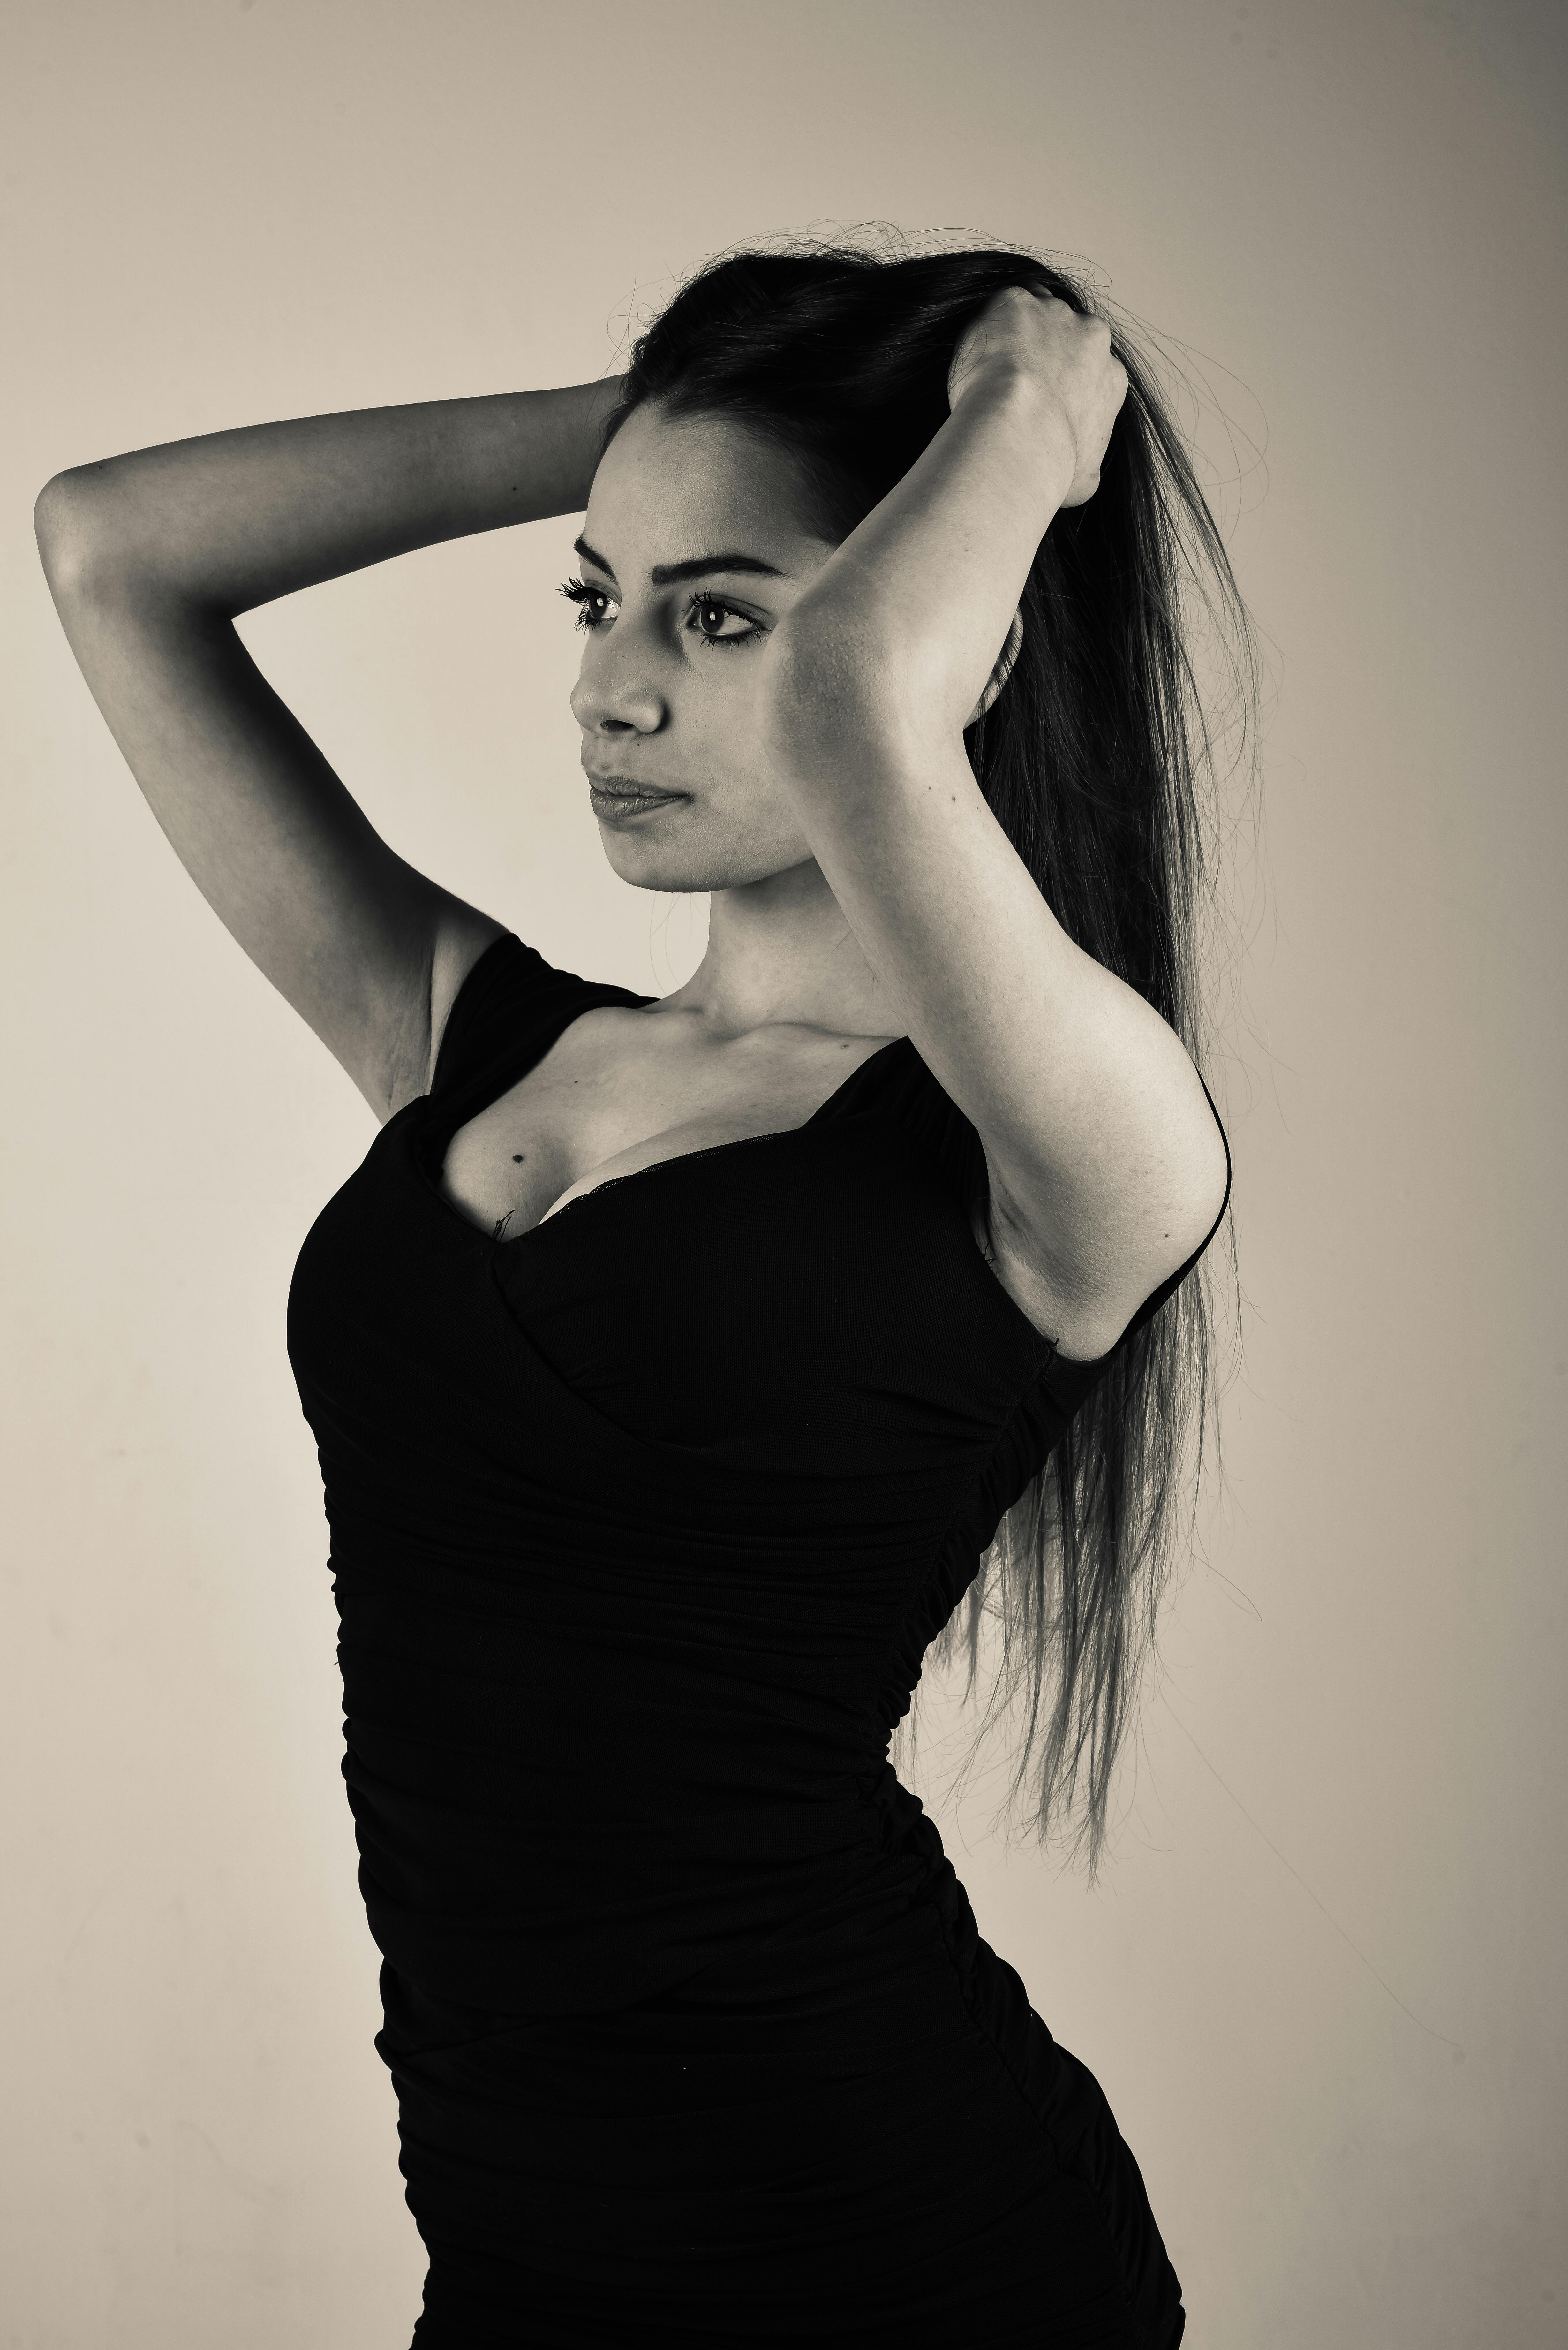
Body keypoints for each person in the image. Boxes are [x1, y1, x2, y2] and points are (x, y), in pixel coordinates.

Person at [35, 238, 1249, 2346]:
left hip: (897, 2253)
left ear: (959, 635)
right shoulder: (467, 1033)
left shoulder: (1079, 1152)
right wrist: (645, 438)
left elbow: (871, 699)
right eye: (601, 604)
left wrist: (1027, 433)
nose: (611, 687)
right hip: (527, 2245)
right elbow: (110, 546)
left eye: (719, 615)